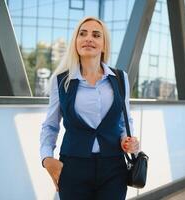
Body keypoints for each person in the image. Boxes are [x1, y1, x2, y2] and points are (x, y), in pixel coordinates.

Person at [40, 16, 139, 200]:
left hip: (114, 168)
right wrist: (46, 159)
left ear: (104, 44)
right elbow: (51, 125)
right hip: (73, 167)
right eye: (82, 33)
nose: (88, 38)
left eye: (96, 35)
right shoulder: (61, 81)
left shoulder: (120, 78)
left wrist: (128, 140)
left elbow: (125, 119)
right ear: (76, 42)